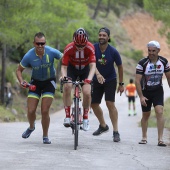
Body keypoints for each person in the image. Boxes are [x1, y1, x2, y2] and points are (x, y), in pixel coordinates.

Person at [16, 32, 63, 144]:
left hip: (49, 82)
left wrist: (64, 72)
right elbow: (19, 70)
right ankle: (31, 127)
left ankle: (45, 136)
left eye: (43, 43)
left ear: (45, 43)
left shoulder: (51, 52)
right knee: (31, 110)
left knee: (45, 110)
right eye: (38, 43)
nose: (40, 46)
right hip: (35, 83)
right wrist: (21, 81)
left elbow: (65, 58)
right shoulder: (29, 55)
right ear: (34, 43)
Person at [91, 27, 124, 142]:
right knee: (94, 104)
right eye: (100, 35)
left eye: (104, 35)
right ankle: (103, 126)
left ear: (108, 38)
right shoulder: (93, 48)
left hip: (110, 79)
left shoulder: (113, 51)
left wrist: (121, 83)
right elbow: (91, 63)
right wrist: (97, 75)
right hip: (96, 80)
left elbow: (120, 67)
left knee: (110, 103)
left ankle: (116, 131)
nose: (101, 37)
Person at [135, 40, 170, 147]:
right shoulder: (142, 63)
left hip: (158, 90)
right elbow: (137, 81)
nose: (151, 53)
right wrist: (141, 96)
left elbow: (168, 77)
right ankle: (144, 137)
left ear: (158, 50)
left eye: (153, 51)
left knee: (159, 112)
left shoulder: (164, 62)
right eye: (149, 51)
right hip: (146, 92)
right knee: (146, 114)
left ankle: (160, 139)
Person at [61, 28, 96, 131]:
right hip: (72, 69)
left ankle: (85, 118)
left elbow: (93, 66)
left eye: (82, 46)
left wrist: (89, 79)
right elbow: (63, 67)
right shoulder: (69, 48)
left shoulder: (90, 48)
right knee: (67, 86)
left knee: (87, 92)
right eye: (78, 45)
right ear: (73, 42)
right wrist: (64, 76)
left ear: (86, 42)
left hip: (85, 70)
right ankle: (67, 116)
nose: (80, 48)